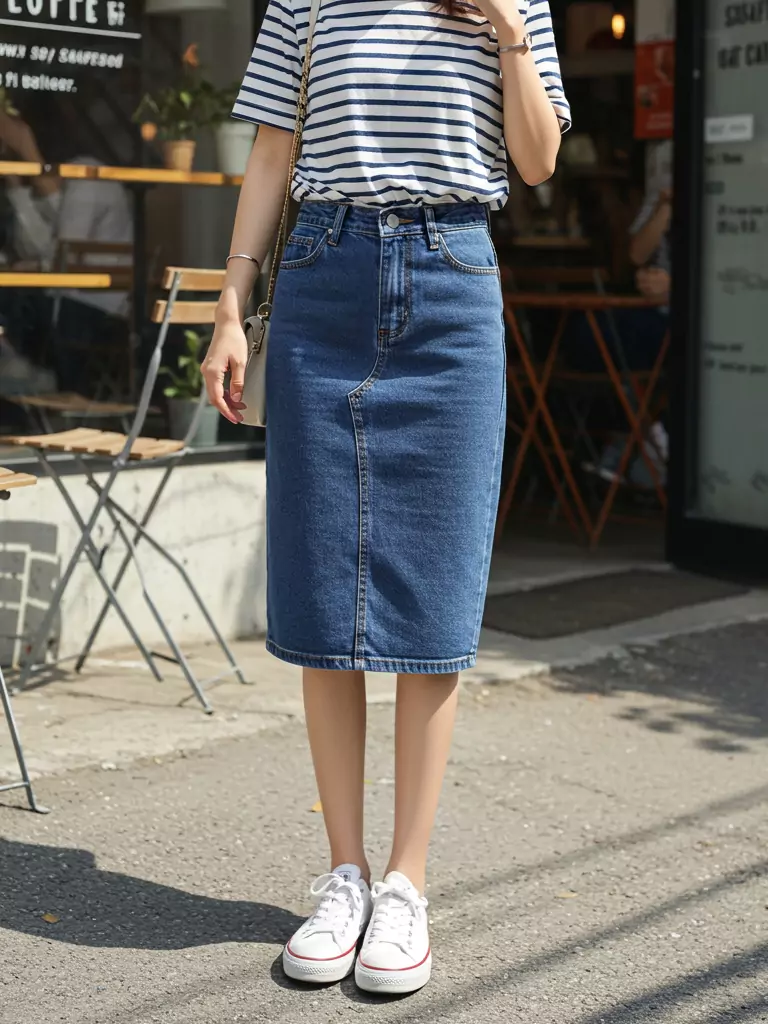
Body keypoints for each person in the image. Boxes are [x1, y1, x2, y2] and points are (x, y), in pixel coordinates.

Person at [203, 0, 569, 996]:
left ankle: (407, 882)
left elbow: (537, 160)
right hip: (325, 273)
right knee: (324, 580)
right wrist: (231, 308)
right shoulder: (307, 2)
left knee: (434, 591)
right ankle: (346, 874)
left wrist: (504, 27)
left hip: (453, 278)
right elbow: (273, 152)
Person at [0, 106, 132, 393]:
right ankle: (24, 380)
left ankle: (29, 383)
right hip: (74, 298)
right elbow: (39, 244)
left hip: (91, 307)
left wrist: (27, 154)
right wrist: (17, 185)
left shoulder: (86, 176)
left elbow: (58, 254)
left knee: (8, 298)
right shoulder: (75, 179)